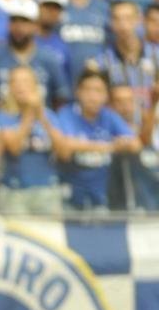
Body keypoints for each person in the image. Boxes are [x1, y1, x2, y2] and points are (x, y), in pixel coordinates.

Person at [56, 70, 141, 210]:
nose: (92, 96)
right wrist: (110, 146)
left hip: (103, 196)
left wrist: (123, 143)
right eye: (87, 89)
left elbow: (135, 145)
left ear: (106, 96)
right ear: (77, 92)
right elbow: (66, 144)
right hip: (71, 194)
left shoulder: (109, 116)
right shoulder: (66, 114)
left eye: (98, 91)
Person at [0, 0, 70, 108]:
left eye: (24, 22)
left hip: (38, 122)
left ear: (35, 25)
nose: (19, 27)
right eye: (14, 21)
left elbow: (61, 97)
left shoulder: (49, 58)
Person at [0, 66, 68, 215]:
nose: (20, 86)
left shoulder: (50, 116)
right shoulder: (3, 116)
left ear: (36, 86)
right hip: (14, 192)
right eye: (15, 82)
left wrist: (41, 116)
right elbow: (14, 148)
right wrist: (29, 114)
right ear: (9, 88)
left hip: (47, 190)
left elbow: (64, 152)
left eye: (25, 81)